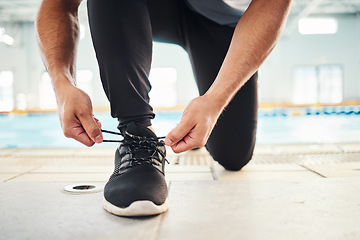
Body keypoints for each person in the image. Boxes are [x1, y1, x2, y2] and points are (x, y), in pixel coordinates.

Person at [36, 0, 291, 217]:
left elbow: (272, 4)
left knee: (234, 155)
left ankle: (197, 127)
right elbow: (60, 4)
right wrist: (62, 82)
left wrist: (215, 101)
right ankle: (136, 136)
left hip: (220, 22)